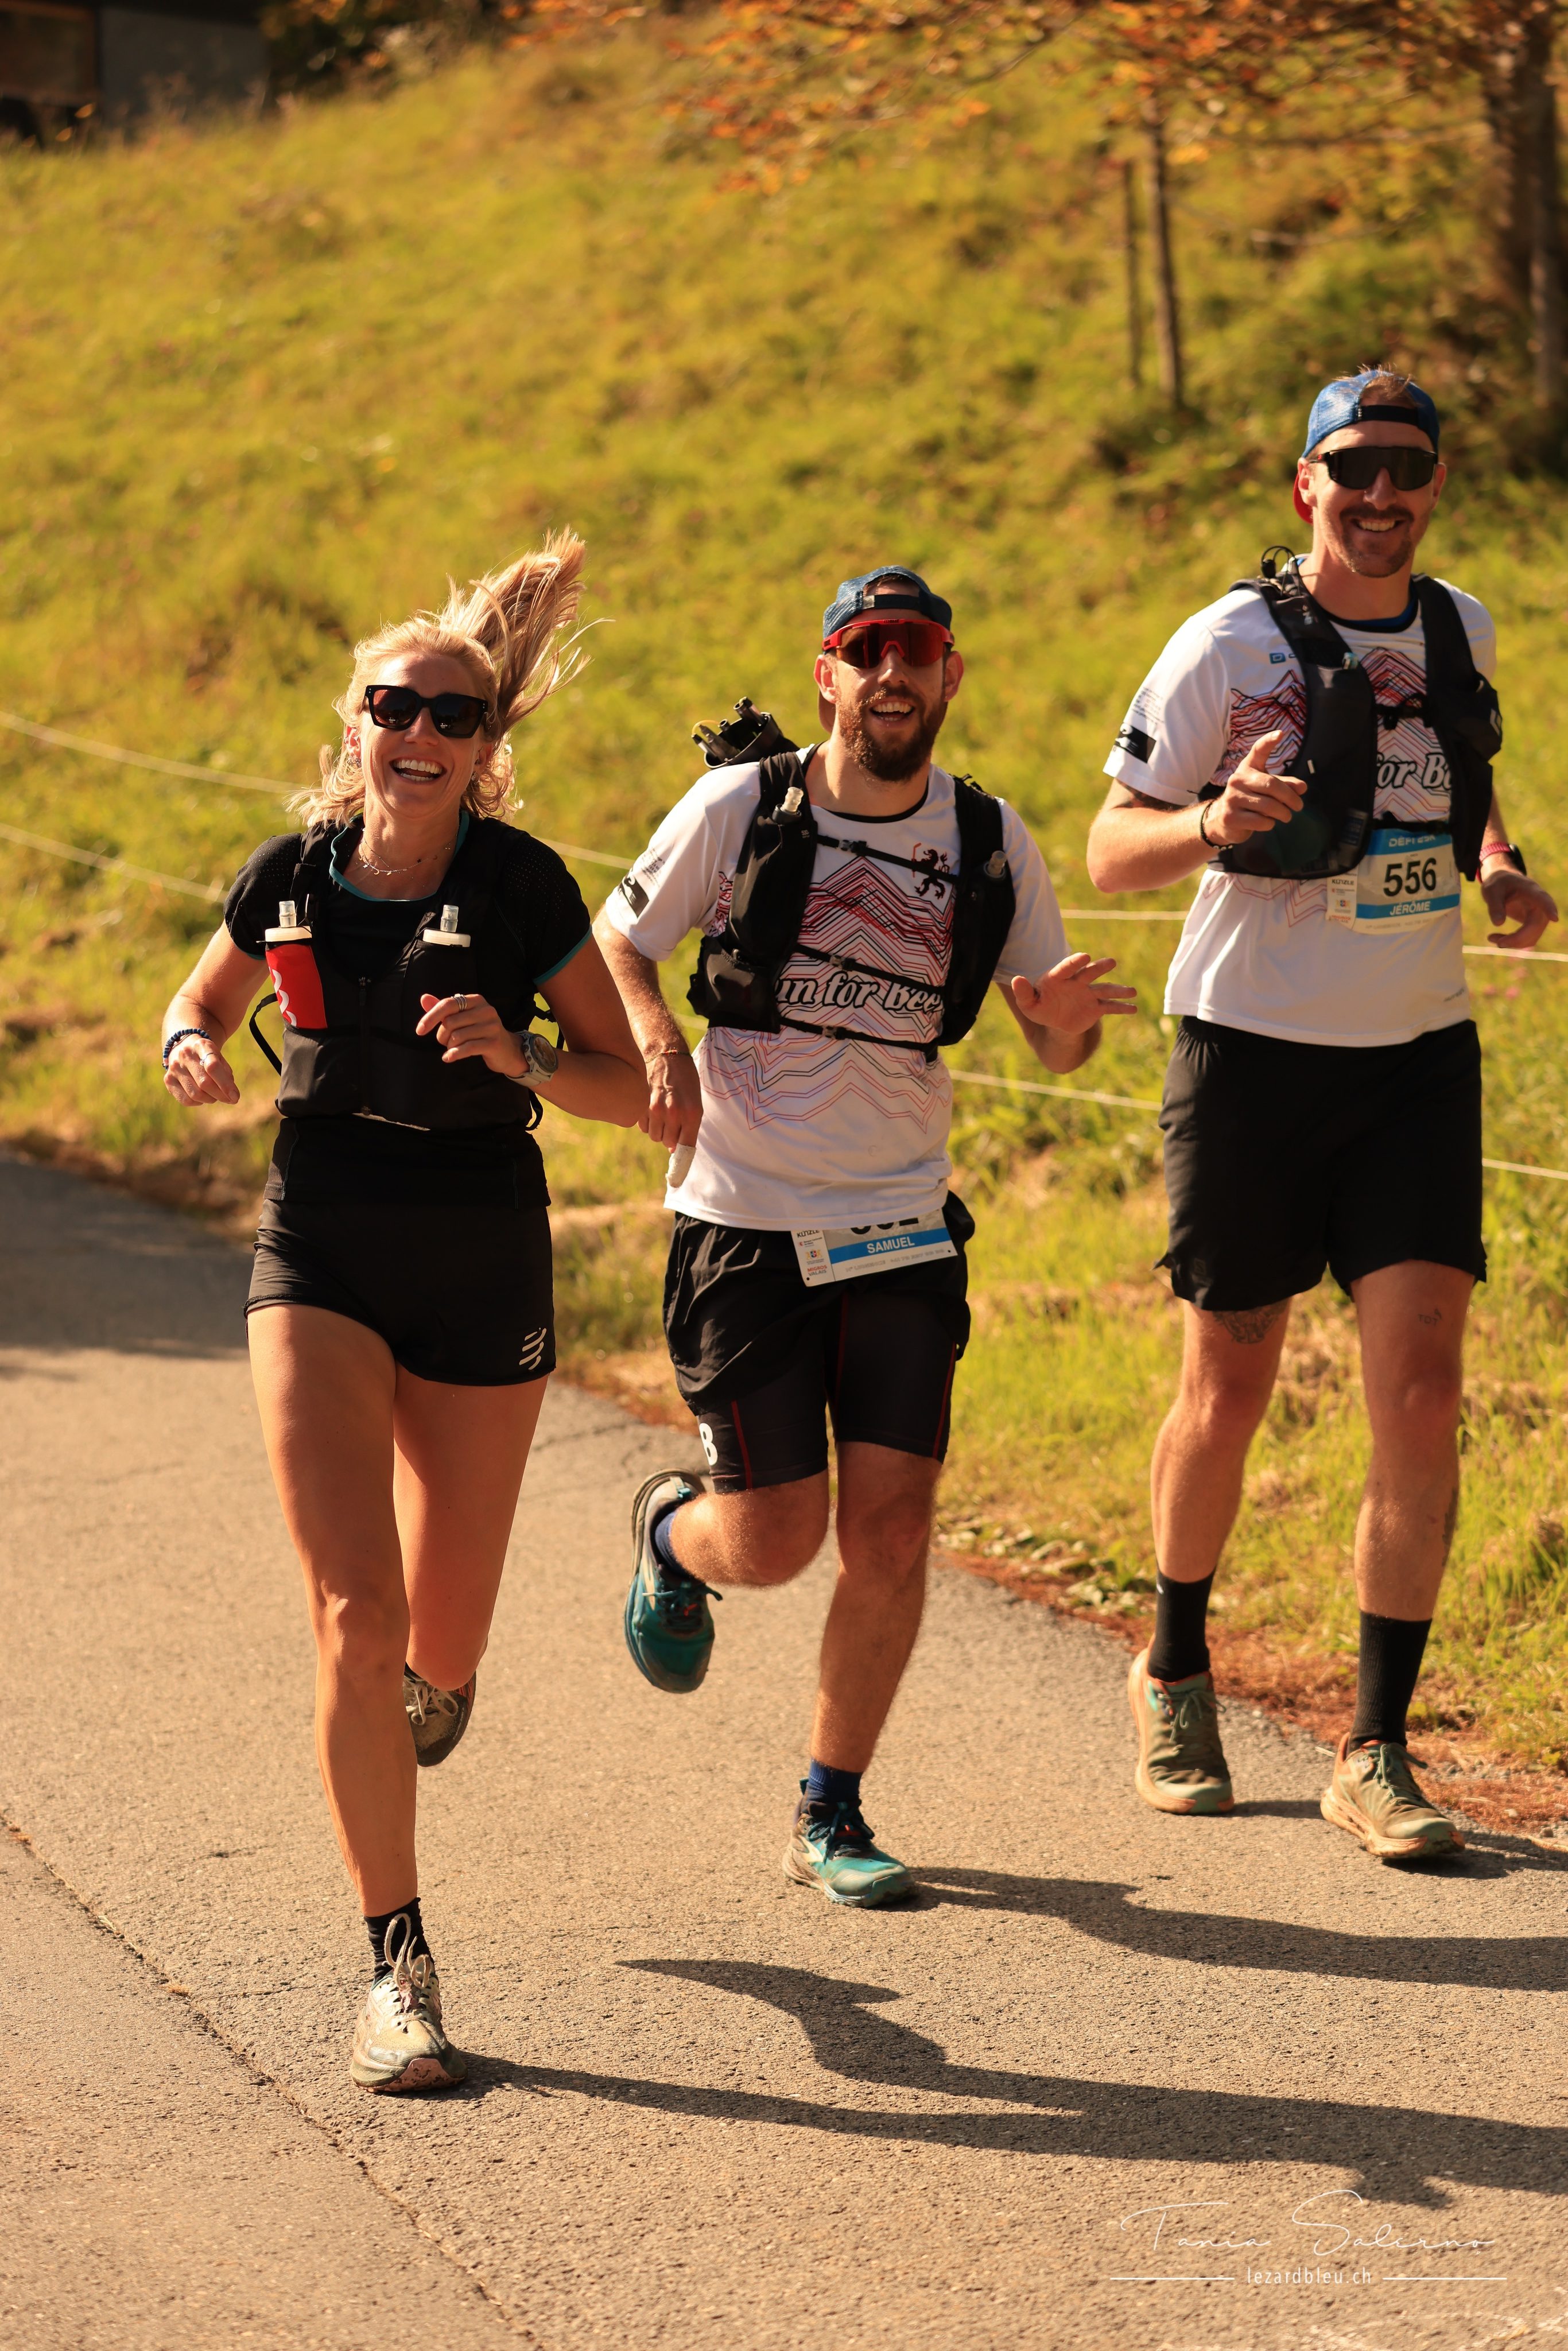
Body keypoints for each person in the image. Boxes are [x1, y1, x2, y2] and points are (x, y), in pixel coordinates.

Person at [162, 537, 645, 2087]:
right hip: (321, 1237)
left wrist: (524, 1057)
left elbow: (635, 1087)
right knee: (355, 1624)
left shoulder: (521, 887)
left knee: (438, 1645)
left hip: (480, 1248)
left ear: (486, 746)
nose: (420, 734)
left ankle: (437, 1685)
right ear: (356, 721)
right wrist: (188, 1048)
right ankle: (397, 1968)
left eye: (453, 716)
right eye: (395, 707)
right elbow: (199, 1000)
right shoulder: (290, 873)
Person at [595, 565, 1135, 1904]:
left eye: (918, 649)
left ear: (950, 675)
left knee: (891, 1531)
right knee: (777, 1538)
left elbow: (1054, 1040)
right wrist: (658, 1043)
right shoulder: (745, 805)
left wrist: (1067, 1021)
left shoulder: (992, 839)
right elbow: (620, 940)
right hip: (747, 1216)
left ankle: (828, 1807)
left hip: (900, 1219)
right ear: (827, 672)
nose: (893, 671)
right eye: (867, 647)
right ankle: (674, 1537)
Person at [1088, 368, 1558, 1860]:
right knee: (1227, 1382)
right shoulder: (1225, 643)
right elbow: (1106, 849)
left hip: (1415, 1057)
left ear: (1434, 485)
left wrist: (1494, 864)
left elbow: (1454, 774)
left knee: (1419, 1396)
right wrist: (1206, 822)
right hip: (1250, 1054)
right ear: (1305, 485)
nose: (1379, 493)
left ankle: (1374, 1749)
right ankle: (1172, 1667)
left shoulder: (1458, 626)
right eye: (1351, 467)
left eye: (1406, 467)